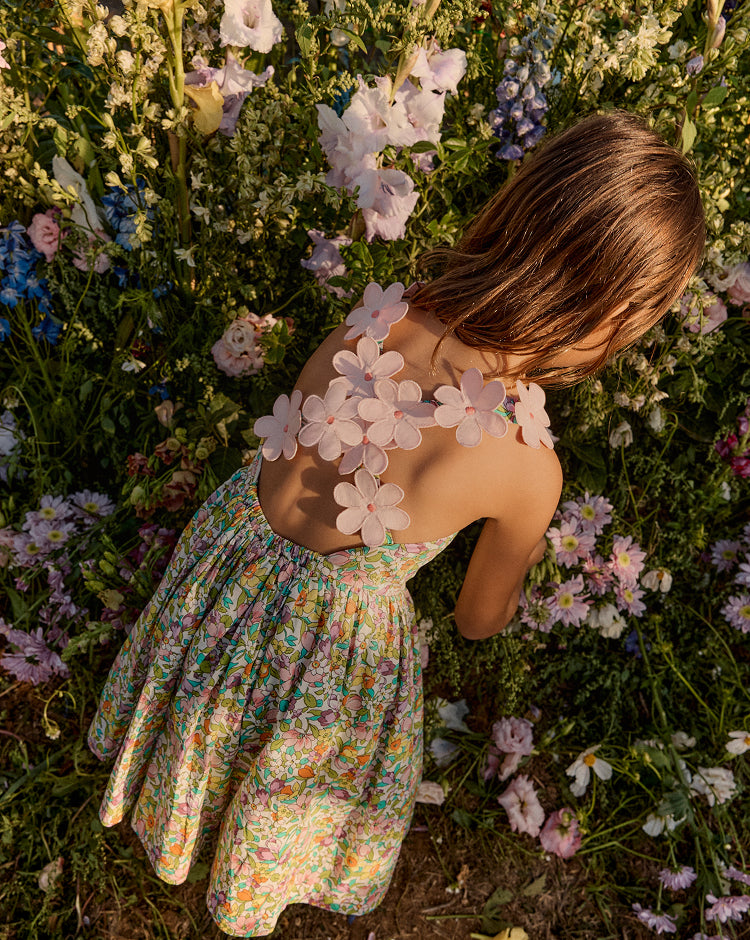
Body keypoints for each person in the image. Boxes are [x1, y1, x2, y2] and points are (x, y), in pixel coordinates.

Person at [88, 110, 705, 937]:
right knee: (286, 762)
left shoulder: (388, 310)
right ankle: (248, 869)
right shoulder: (527, 466)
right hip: (322, 642)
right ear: (618, 313)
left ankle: (173, 804)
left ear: (521, 203)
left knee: (216, 707)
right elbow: (476, 620)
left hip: (229, 563)